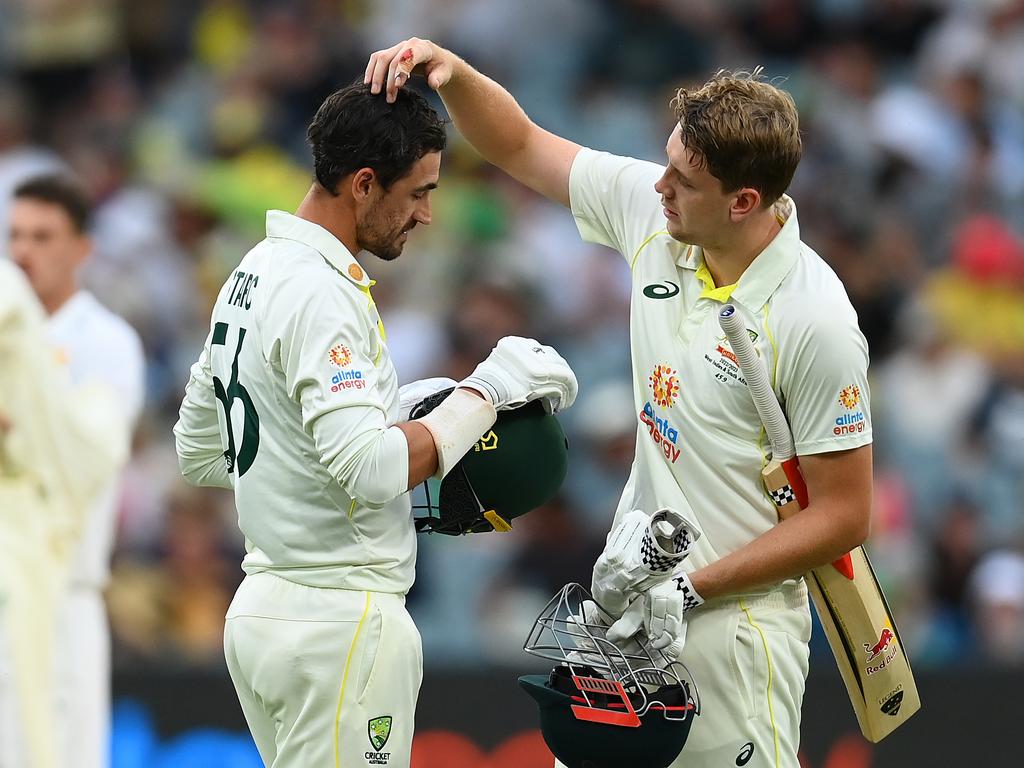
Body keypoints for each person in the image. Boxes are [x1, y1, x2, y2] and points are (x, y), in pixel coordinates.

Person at [366, 42, 873, 767]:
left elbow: (845, 514)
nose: (659, 185)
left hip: (736, 633)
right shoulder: (658, 216)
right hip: (623, 617)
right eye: (666, 161)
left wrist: (690, 590)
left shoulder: (814, 319)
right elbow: (518, 143)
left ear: (744, 201)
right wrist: (457, 74)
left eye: (683, 179)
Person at [173, 81, 577, 768]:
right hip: (338, 622)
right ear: (364, 184)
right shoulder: (322, 292)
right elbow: (372, 470)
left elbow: (203, 450)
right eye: (419, 191)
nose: (425, 214)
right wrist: (485, 390)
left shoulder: (255, 269)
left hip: (264, 612)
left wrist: (395, 413)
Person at [6, 174, 145, 768]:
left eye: (42, 236)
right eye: (14, 236)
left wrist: (22, 422)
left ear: (81, 248)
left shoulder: (105, 343)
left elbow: (91, 457)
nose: (22, 252)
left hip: (65, 590)